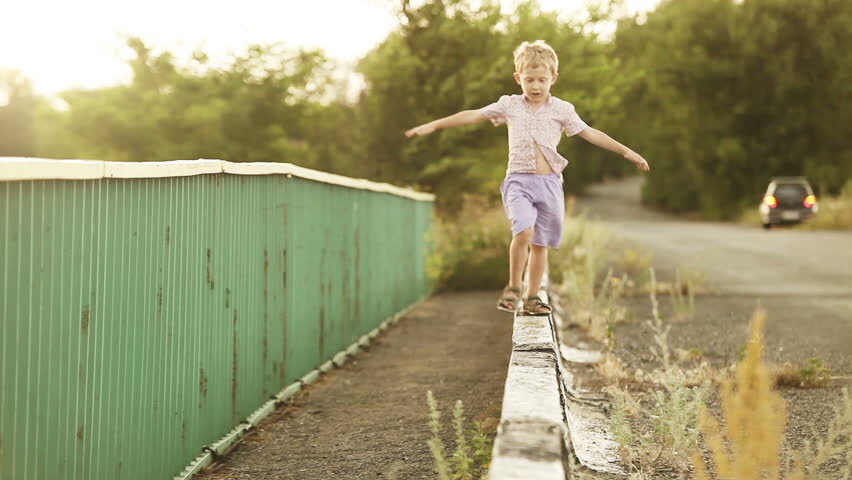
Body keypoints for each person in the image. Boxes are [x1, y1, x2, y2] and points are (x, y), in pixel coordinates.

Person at [405, 40, 650, 316]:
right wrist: (435, 125)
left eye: (541, 80)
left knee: (540, 243)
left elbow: (590, 133)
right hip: (518, 182)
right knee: (524, 230)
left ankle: (532, 297)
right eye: (529, 79)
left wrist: (626, 151)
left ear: (553, 79)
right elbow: (473, 115)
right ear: (517, 78)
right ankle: (513, 287)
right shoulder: (509, 105)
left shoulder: (562, 110)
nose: (535, 86)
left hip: (549, 185)